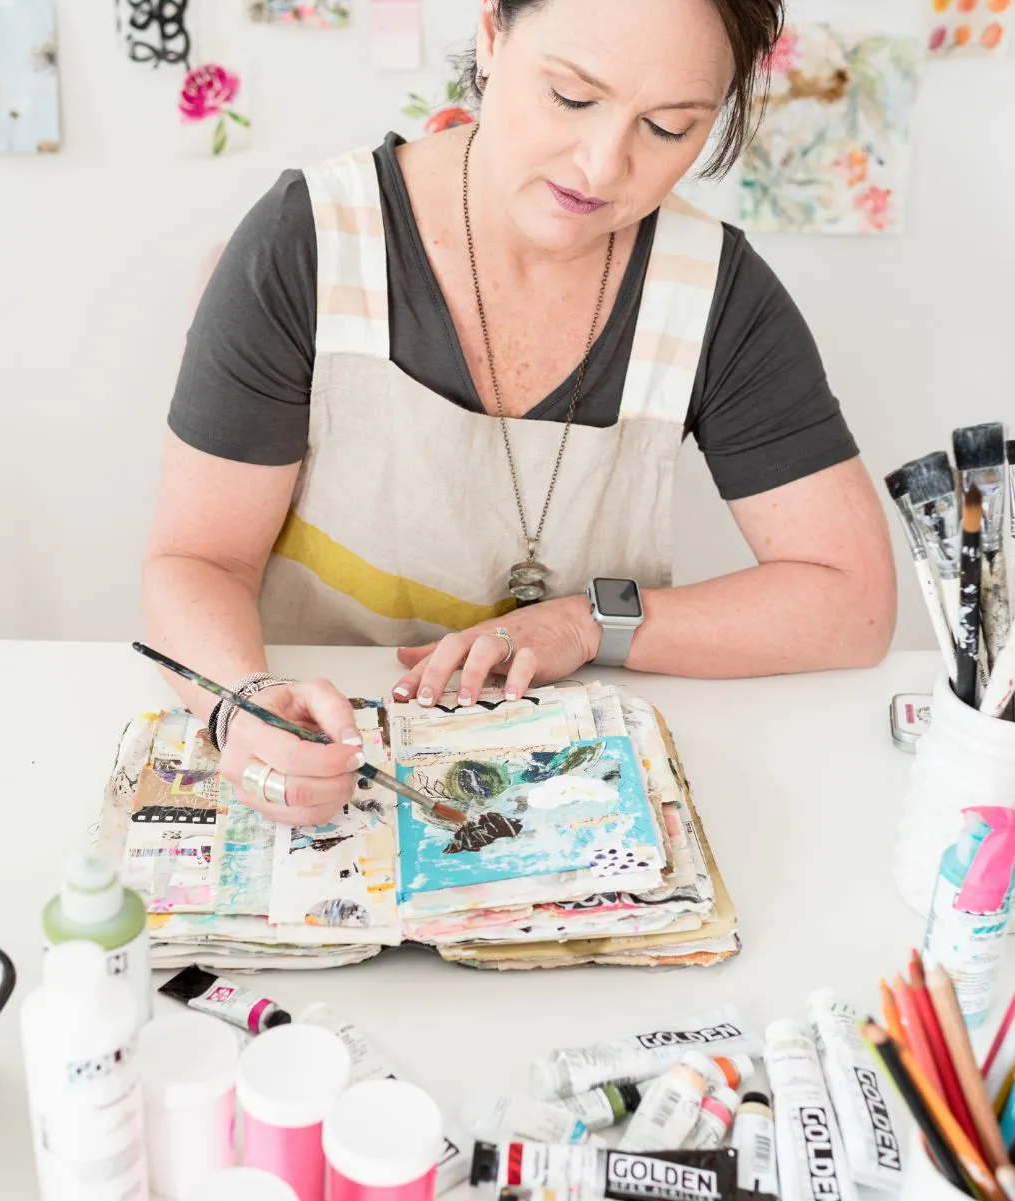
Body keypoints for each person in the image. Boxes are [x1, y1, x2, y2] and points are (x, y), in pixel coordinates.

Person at [142, 0, 896, 829]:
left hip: (559, 793)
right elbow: (196, 559)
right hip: (324, 760)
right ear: (492, 37)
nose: (602, 167)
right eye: (571, 97)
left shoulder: (712, 292)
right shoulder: (312, 239)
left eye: (669, 128)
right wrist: (244, 704)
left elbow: (852, 603)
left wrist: (588, 624)